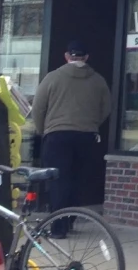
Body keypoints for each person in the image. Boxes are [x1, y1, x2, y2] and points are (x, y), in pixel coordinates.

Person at [32, 40, 112, 238]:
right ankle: (69, 222)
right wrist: (91, 124)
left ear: (67, 56)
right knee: (77, 181)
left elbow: (38, 108)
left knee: (59, 182)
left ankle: (57, 228)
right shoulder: (98, 81)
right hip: (86, 137)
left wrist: (44, 130)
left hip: (57, 136)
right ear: (87, 57)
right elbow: (106, 108)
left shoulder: (52, 78)